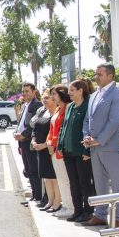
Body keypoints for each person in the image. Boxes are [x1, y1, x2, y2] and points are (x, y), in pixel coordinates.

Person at [82, 63, 119, 227]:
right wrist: (87, 136)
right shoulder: (94, 95)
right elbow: (88, 119)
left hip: (110, 146)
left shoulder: (118, 94)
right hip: (94, 146)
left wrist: (100, 139)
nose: (96, 77)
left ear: (110, 76)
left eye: (100, 74)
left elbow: (114, 120)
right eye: (96, 74)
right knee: (100, 182)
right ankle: (100, 214)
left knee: (116, 183)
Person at [59, 80, 96, 224]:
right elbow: (65, 127)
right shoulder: (69, 107)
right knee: (74, 183)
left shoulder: (88, 106)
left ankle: (87, 211)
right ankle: (77, 210)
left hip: (81, 151)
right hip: (68, 151)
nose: (69, 93)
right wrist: (61, 145)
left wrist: (87, 150)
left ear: (81, 91)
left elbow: (90, 128)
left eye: (72, 90)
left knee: (84, 183)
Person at [31, 89, 61, 213]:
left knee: (54, 177)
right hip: (40, 149)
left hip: (50, 149)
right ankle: (50, 201)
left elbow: (56, 132)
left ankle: (57, 202)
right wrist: (33, 141)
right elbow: (35, 127)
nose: (45, 100)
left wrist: (45, 145)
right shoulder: (43, 111)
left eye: (47, 97)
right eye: (43, 98)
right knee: (46, 177)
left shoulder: (57, 113)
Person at [14, 83, 43, 207]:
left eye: (27, 91)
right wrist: (17, 133)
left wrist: (24, 135)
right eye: (23, 91)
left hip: (30, 142)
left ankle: (38, 196)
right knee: (28, 170)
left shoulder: (37, 105)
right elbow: (22, 123)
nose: (24, 94)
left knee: (34, 169)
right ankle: (34, 195)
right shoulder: (25, 105)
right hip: (23, 142)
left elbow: (34, 125)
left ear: (34, 91)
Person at [47, 85, 72, 216]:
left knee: (65, 179)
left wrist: (54, 143)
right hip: (53, 149)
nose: (52, 97)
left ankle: (70, 207)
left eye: (54, 94)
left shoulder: (68, 107)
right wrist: (49, 142)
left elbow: (63, 129)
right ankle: (66, 206)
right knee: (61, 179)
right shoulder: (57, 109)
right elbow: (52, 129)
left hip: (61, 149)